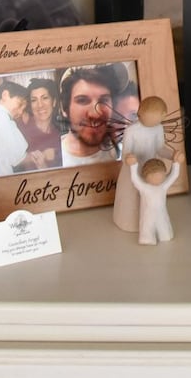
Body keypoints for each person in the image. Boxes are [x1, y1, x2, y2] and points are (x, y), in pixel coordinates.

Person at [115, 95, 174, 233]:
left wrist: (173, 155)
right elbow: (126, 154)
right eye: (148, 117)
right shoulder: (131, 130)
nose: (153, 122)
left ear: (162, 116)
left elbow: (160, 148)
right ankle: (127, 223)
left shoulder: (158, 128)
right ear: (140, 112)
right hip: (132, 169)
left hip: (151, 170)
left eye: (156, 119)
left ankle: (149, 225)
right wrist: (131, 160)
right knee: (130, 199)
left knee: (150, 199)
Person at [57, 66, 120, 166]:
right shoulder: (54, 160)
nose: (96, 113)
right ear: (64, 108)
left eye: (104, 100)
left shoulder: (120, 150)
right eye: (82, 100)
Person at [125, 150, 183, 245]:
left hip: (161, 213)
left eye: (161, 175)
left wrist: (177, 163)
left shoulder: (163, 187)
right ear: (146, 176)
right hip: (147, 215)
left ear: (164, 174)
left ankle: (165, 236)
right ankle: (147, 239)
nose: (158, 178)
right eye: (154, 176)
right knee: (147, 228)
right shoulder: (144, 188)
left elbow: (173, 176)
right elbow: (135, 179)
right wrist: (133, 165)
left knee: (164, 228)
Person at [18, 77, 62, 172]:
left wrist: (43, 166)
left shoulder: (60, 135)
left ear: (53, 102)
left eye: (45, 98)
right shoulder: (20, 127)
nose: (40, 105)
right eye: (34, 100)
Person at [0, 80, 31, 175]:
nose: (20, 112)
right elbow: (19, 158)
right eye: (20, 105)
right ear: (5, 95)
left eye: (23, 109)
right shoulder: (2, 116)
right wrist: (41, 156)